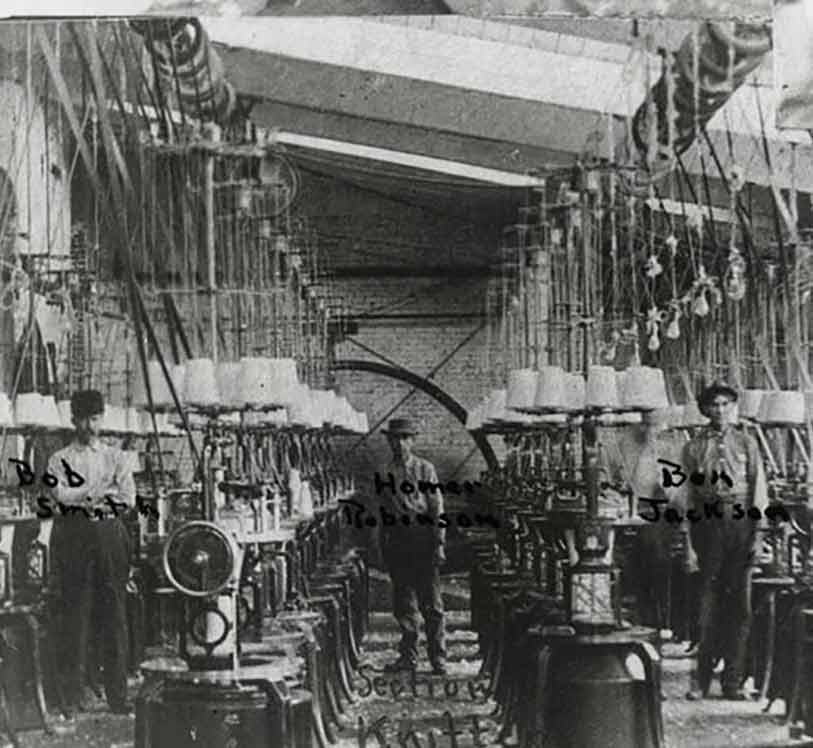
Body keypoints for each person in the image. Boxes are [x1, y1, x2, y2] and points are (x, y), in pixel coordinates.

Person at [47, 389, 136, 717]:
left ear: (102, 418)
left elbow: (127, 498)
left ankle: (117, 696)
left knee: (114, 615)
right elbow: (59, 496)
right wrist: (95, 492)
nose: (90, 426)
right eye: (84, 419)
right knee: (77, 614)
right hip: (75, 538)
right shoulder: (59, 459)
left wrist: (82, 496)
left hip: (110, 536)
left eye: (95, 418)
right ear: (74, 420)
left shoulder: (116, 457)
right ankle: (72, 697)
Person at [683, 381, 767, 701]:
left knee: (740, 608)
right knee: (706, 607)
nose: (720, 410)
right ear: (705, 409)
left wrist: (758, 536)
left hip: (741, 526)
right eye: (714, 405)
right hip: (707, 527)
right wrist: (688, 545)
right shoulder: (693, 448)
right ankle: (701, 682)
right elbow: (687, 497)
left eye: (725, 404)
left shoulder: (747, 443)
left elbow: (759, 490)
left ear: (733, 407)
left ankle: (732, 683)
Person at [377, 418, 447, 675]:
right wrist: (382, 545)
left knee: (432, 603)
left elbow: (437, 507)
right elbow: (382, 512)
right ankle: (408, 657)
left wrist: (439, 543)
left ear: (412, 441)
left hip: (423, 539)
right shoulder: (384, 473)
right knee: (404, 604)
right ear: (389, 441)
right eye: (395, 438)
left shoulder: (425, 469)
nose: (400, 443)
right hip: (398, 540)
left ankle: (438, 658)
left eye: (405, 438)